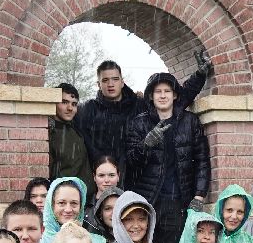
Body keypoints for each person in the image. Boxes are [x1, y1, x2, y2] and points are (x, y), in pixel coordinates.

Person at [78, 57, 210, 189]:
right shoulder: (89, 110)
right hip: (102, 178)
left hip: (135, 179)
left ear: (122, 82)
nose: (110, 84)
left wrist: (199, 76)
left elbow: (175, 101)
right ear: (98, 84)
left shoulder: (138, 104)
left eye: (115, 79)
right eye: (105, 80)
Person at [124, 72, 212, 243]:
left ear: (175, 95)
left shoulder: (190, 122)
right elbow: (131, 163)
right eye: (158, 92)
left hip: (179, 201)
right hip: (149, 201)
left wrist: (199, 195)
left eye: (167, 91)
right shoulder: (139, 123)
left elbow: (202, 160)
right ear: (151, 95)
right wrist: (146, 145)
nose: (162, 95)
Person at [38, 177, 106, 243]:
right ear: (52, 205)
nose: (68, 209)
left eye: (74, 203)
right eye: (61, 203)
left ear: (81, 207)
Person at [49, 82, 93, 189]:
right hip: (64, 197)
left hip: (86, 198)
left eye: (74, 104)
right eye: (64, 102)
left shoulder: (77, 127)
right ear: (54, 103)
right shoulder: (48, 133)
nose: (70, 108)